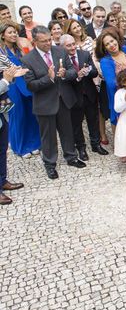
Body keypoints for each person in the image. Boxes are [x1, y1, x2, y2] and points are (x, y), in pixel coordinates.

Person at [22, 26, 86, 179]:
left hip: (63, 99)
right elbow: (31, 85)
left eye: (49, 39)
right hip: (45, 104)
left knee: (67, 131)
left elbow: (72, 71)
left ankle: (71, 157)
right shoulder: (27, 60)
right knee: (48, 136)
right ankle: (50, 164)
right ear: (35, 41)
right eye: (43, 41)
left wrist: (65, 74)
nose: (48, 43)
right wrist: (48, 78)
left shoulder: (60, 51)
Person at [59, 34, 108, 160]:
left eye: (73, 44)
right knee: (76, 124)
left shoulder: (84, 54)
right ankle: (81, 148)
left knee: (93, 120)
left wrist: (87, 71)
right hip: (73, 95)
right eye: (68, 45)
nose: (72, 47)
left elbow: (94, 73)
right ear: (62, 47)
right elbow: (63, 78)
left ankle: (96, 144)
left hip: (88, 93)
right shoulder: (60, 59)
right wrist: (76, 75)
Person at [0, 22, 40, 158]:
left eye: (15, 32)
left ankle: (34, 143)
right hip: (9, 87)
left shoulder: (19, 49)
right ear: (3, 36)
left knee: (31, 113)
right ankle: (20, 146)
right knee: (17, 116)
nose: (13, 34)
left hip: (25, 84)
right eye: (10, 32)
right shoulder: (1, 52)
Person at [0, 65, 27, 205]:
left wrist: (11, 77)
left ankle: (2, 181)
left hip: (1, 114)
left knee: (2, 150)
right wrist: (5, 81)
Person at [95, 28, 126, 127]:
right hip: (119, 96)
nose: (111, 45)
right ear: (104, 48)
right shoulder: (105, 61)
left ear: (116, 39)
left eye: (112, 41)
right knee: (122, 125)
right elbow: (111, 83)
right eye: (107, 44)